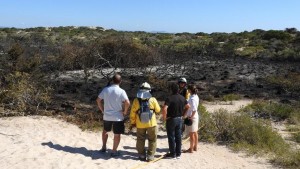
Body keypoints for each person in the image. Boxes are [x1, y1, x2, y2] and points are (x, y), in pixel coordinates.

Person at [96, 73, 130, 157]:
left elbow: (98, 100)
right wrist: (125, 111)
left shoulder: (106, 89)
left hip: (107, 115)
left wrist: (102, 110)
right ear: (120, 81)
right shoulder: (121, 91)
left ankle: (104, 147)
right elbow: (127, 102)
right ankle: (114, 151)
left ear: (112, 81)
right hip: (118, 116)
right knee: (117, 134)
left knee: (105, 131)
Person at [130, 82, 161, 162]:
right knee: (152, 140)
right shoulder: (153, 99)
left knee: (140, 139)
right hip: (152, 123)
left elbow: (132, 113)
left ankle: (142, 155)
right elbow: (158, 110)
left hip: (140, 124)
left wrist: (133, 123)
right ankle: (150, 156)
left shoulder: (136, 101)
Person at [162, 83, 190, 159]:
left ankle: (172, 154)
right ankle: (178, 153)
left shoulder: (169, 98)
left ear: (171, 90)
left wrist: (164, 118)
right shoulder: (182, 98)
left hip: (171, 119)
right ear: (178, 90)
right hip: (179, 119)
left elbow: (164, 108)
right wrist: (183, 115)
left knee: (171, 137)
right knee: (178, 136)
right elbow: (188, 107)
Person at [183, 85, 200, 153]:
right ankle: (195, 147)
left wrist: (191, 117)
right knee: (195, 132)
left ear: (190, 90)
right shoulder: (196, 96)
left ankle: (191, 148)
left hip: (192, 117)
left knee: (191, 133)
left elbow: (194, 109)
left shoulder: (192, 99)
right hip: (195, 116)